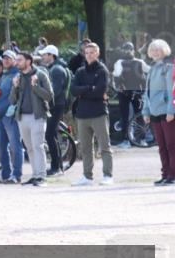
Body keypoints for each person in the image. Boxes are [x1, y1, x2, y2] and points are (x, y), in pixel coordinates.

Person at [71, 42, 113, 185]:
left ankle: (108, 176)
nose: (89, 55)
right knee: (85, 148)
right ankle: (87, 177)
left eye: (92, 52)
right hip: (82, 114)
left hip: (98, 113)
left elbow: (99, 92)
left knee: (104, 146)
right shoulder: (80, 71)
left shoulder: (102, 70)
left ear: (97, 53)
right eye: (86, 52)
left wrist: (83, 92)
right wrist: (89, 87)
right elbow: (73, 90)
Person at [10, 52, 54, 186]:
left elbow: (49, 96)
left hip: (38, 116)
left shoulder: (40, 75)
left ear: (28, 61)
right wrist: (15, 87)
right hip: (22, 117)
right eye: (16, 60)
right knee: (29, 148)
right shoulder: (18, 77)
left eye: (20, 60)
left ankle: (41, 177)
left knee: (38, 146)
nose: (17, 62)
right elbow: (12, 100)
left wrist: (35, 86)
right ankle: (35, 175)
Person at [143, 39, 174, 185]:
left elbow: (172, 90)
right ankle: (165, 174)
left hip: (167, 113)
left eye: (158, 49)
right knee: (161, 146)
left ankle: (173, 175)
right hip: (154, 113)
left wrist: (171, 111)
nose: (155, 52)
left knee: (171, 145)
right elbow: (147, 93)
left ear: (164, 50)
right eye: (153, 49)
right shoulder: (151, 69)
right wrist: (146, 112)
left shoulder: (169, 67)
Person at [0, 50, 24, 185]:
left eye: (8, 58)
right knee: (0, 146)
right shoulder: (4, 75)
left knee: (16, 146)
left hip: (11, 117)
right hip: (1, 116)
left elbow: (20, 95)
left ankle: (16, 175)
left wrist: (13, 109)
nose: (5, 61)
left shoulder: (17, 74)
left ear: (14, 60)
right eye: (4, 58)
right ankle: (5, 174)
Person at [39, 46, 71, 176]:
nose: (42, 57)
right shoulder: (54, 68)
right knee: (51, 136)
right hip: (56, 105)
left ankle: (56, 168)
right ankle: (57, 167)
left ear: (51, 55)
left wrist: (45, 100)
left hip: (56, 106)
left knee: (50, 136)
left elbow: (55, 91)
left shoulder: (56, 70)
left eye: (44, 55)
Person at [112, 41, 149, 149]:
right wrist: (118, 88)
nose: (127, 51)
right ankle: (125, 140)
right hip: (124, 93)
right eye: (125, 49)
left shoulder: (140, 62)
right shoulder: (120, 62)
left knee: (140, 116)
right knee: (124, 116)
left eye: (129, 49)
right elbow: (116, 76)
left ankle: (141, 139)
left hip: (137, 92)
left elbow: (149, 71)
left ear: (133, 50)